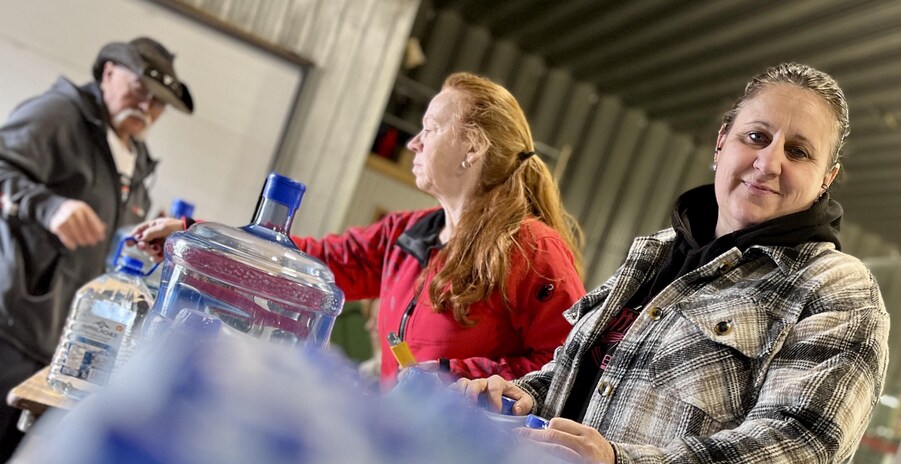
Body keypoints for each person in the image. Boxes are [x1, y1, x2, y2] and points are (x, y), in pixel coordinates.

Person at [457, 63, 890, 464]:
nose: (769, 163)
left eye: (798, 151)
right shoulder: (660, 252)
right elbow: (584, 372)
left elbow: (797, 444)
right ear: (721, 143)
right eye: (756, 136)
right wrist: (522, 395)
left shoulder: (838, 290)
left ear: (826, 178)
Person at [133, 72, 585, 386]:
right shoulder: (406, 235)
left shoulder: (532, 250)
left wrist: (456, 377)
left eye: (429, 128)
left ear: (472, 146)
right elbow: (309, 266)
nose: (414, 141)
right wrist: (195, 237)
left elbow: (567, 364)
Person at [0, 37, 194, 464]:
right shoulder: (60, 114)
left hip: (58, 346)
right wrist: (49, 206)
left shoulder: (134, 157)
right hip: (12, 326)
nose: (147, 106)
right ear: (107, 73)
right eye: (139, 89)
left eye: (159, 102)